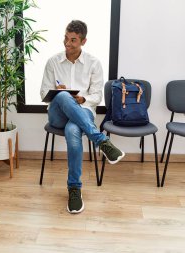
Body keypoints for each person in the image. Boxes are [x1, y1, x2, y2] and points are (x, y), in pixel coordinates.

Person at [40, 20, 125, 214]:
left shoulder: (94, 63)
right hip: (57, 114)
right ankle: (102, 141)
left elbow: (97, 96)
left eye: (73, 40)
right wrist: (56, 91)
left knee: (73, 130)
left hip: (83, 109)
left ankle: (74, 189)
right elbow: (43, 93)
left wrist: (82, 98)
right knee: (62, 96)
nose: (67, 44)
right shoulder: (53, 62)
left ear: (83, 41)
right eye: (66, 38)